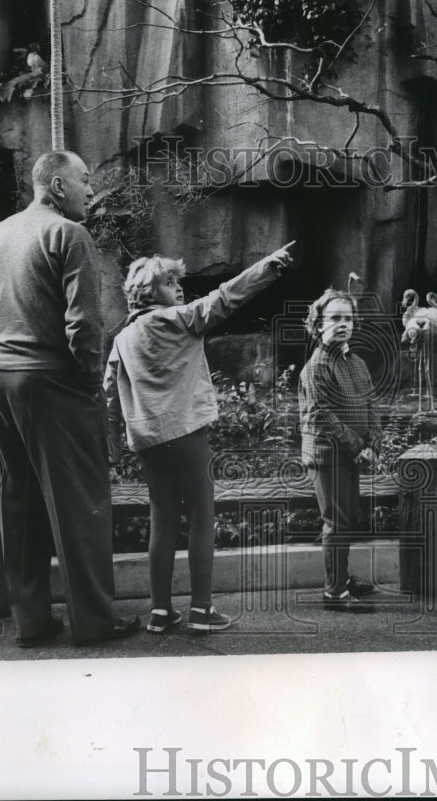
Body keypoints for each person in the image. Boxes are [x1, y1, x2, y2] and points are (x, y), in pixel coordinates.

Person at [0, 150, 140, 647]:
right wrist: (86, 380)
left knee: (17, 502)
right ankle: (95, 622)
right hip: (54, 382)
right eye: (84, 180)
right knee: (81, 502)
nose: (90, 191)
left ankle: (32, 622)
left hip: (0, 379)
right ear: (57, 185)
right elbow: (84, 324)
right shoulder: (69, 235)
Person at [104, 243, 295, 633]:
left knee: (162, 518)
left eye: (178, 281)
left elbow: (108, 393)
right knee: (202, 514)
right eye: (170, 282)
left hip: (149, 440)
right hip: (187, 433)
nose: (179, 288)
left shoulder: (122, 339)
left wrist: (110, 444)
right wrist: (266, 267)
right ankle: (202, 610)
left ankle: (160, 611)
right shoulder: (178, 319)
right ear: (148, 291)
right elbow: (224, 298)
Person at [298, 289, 382, 612]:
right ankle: (334, 593)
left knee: (348, 518)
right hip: (328, 456)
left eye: (348, 318)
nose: (343, 324)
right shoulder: (317, 366)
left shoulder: (357, 362)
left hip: (351, 454)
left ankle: (342, 579)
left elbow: (371, 403)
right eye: (334, 318)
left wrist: (373, 442)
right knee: (336, 520)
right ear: (318, 326)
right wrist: (358, 447)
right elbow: (322, 414)